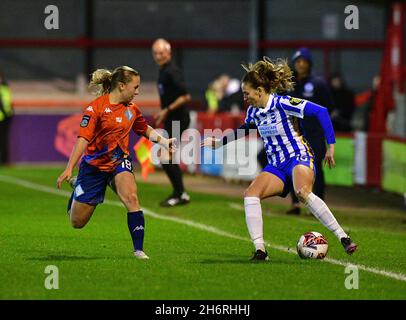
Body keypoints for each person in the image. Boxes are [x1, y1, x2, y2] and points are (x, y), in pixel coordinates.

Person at [201, 57, 357, 261]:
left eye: (247, 93)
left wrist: (331, 146)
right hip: (276, 164)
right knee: (250, 194)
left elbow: (321, 112)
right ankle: (260, 250)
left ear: (259, 90)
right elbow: (246, 129)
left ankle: (343, 237)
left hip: (298, 156)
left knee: (302, 192)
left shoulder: (283, 103)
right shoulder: (253, 111)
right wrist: (220, 142)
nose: (245, 98)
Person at [56, 66, 176, 259]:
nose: (137, 92)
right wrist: (69, 167)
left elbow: (143, 128)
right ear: (121, 86)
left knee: (132, 198)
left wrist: (164, 141)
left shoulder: (132, 109)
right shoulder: (95, 108)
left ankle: (139, 250)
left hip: (119, 162)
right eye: (135, 87)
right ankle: (78, 185)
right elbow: (82, 139)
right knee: (77, 222)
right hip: (94, 168)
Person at [285, 47, 334, 215]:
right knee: (294, 167)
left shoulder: (318, 83)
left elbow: (329, 107)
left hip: (314, 133)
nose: (300, 64)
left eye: (304, 61)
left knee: (315, 169)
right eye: (297, 61)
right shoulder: (289, 84)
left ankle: (319, 204)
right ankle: (295, 203)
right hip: (294, 133)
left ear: (309, 64)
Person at [152, 38, 191, 207]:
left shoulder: (171, 71)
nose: (159, 56)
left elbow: (185, 96)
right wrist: (164, 114)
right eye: (156, 53)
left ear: (169, 53)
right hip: (172, 118)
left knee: (165, 157)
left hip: (178, 118)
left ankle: (180, 194)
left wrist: (166, 110)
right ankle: (179, 192)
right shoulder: (163, 70)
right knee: (165, 157)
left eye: (162, 52)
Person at [0, 71, 13, 164]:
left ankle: (4, 160)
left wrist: (8, 114)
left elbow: (7, 103)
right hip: (3, 116)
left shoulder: (5, 88)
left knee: (4, 140)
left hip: (5, 118)